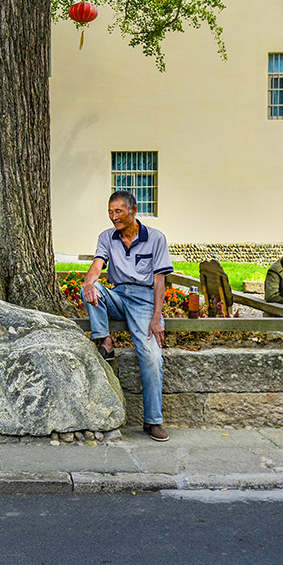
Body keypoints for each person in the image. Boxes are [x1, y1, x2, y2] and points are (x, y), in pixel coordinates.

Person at [81, 189, 173, 442]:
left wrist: (157, 316)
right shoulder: (107, 237)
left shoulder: (155, 238)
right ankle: (105, 340)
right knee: (90, 288)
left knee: (152, 358)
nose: (113, 217)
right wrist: (90, 283)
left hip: (144, 302)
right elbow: (97, 266)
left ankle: (152, 421)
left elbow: (159, 281)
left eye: (118, 211)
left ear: (132, 211)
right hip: (119, 296)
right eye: (110, 212)